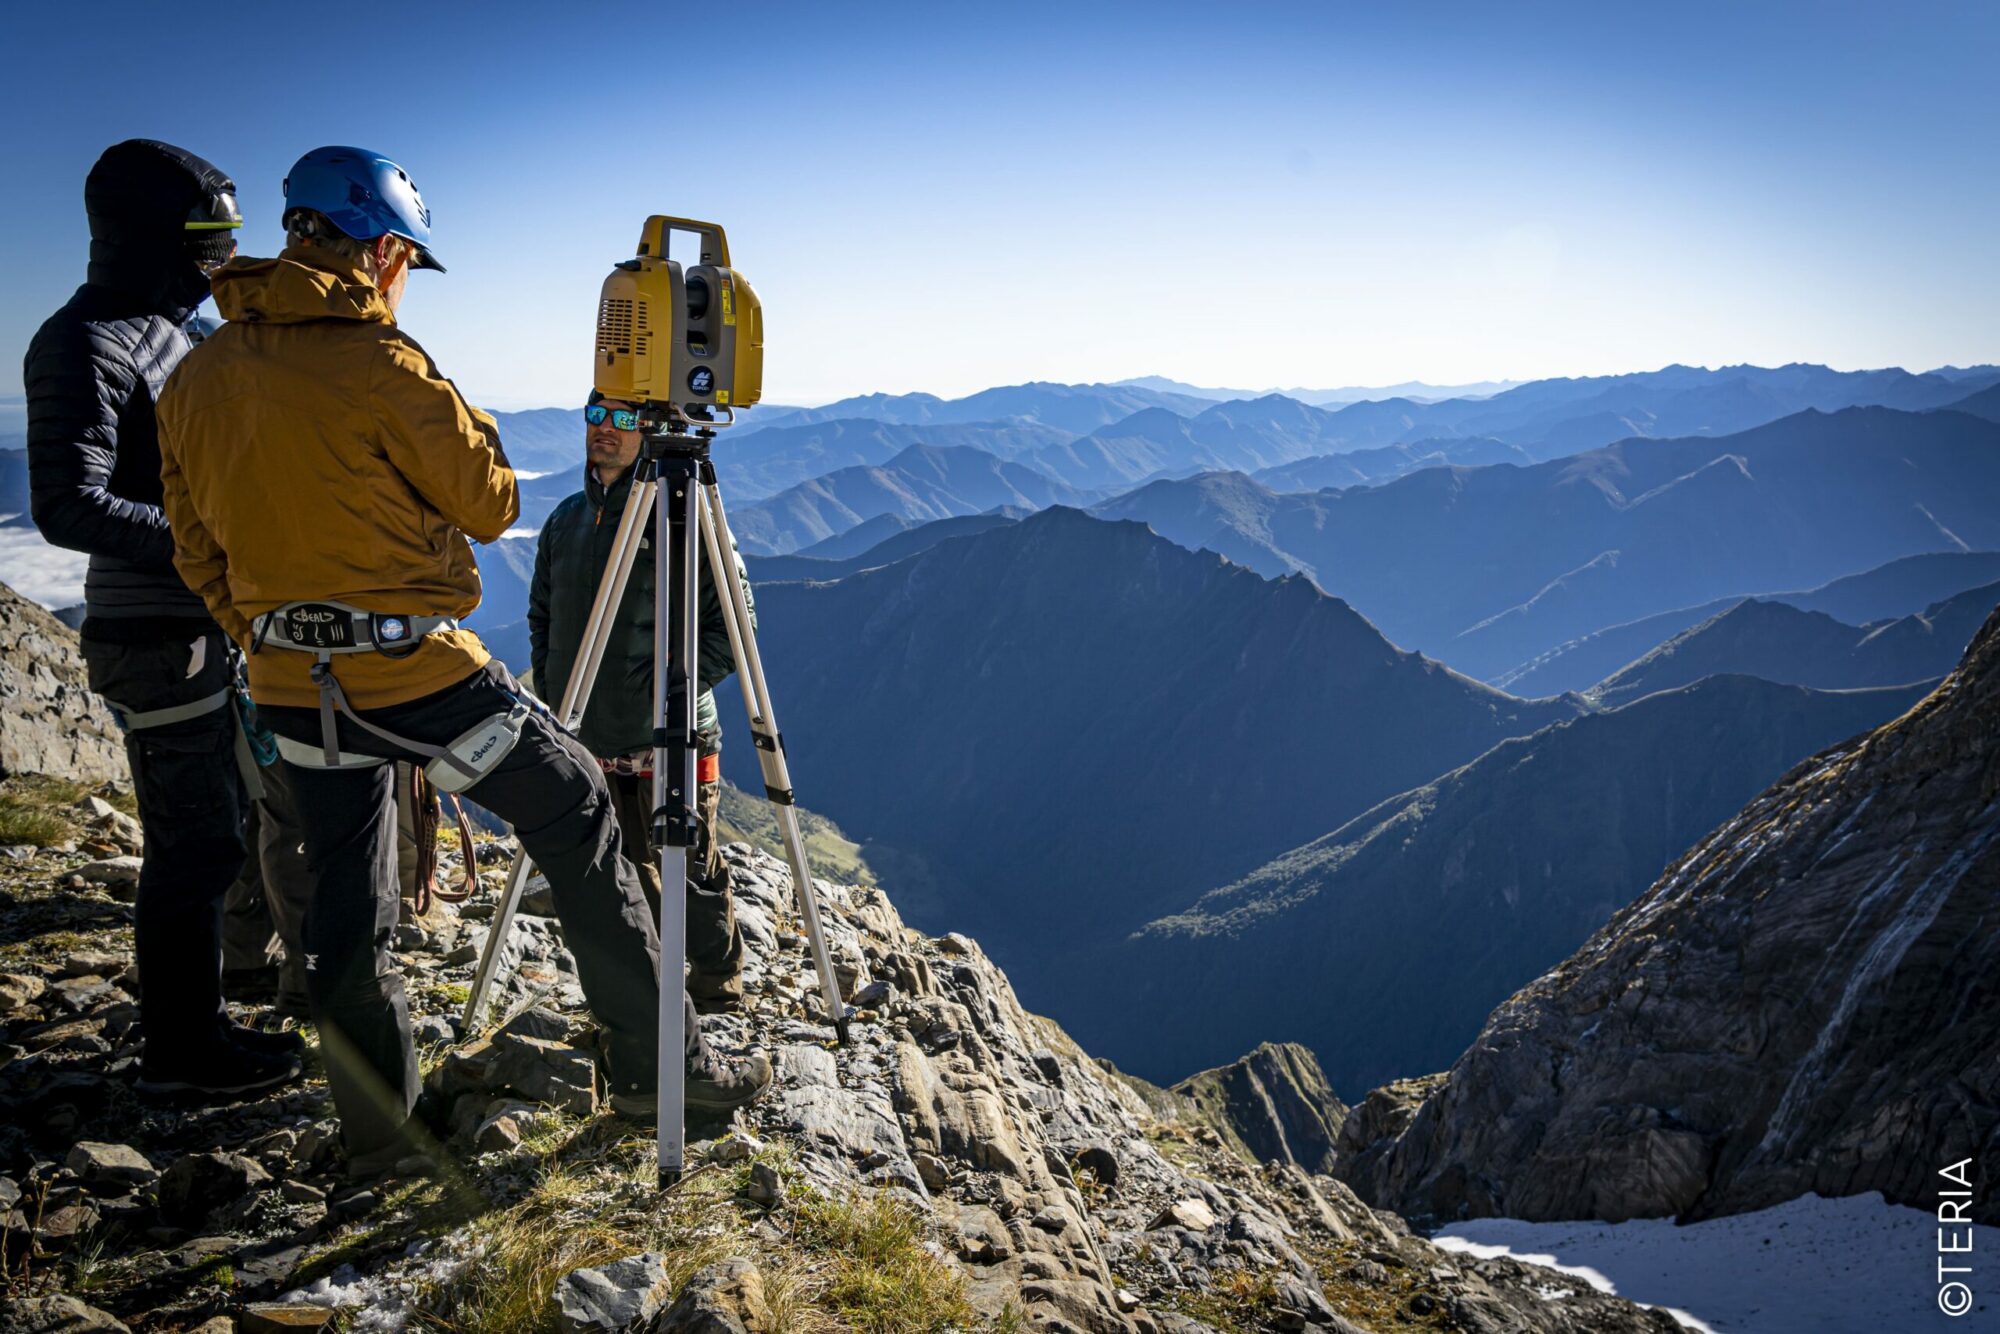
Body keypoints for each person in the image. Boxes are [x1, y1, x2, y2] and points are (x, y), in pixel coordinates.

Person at [153, 145, 771, 1178]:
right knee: (574, 800)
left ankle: (382, 1138)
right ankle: (660, 1069)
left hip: (291, 685)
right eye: (406, 260)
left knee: (346, 898)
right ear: (382, 251)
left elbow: (195, 549)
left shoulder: (196, 376)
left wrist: (263, 635)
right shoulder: (384, 365)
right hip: (416, 674)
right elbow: (490, 501)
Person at [25, 140, 301, 1097]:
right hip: (153, 635)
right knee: (195, 844)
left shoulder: (171, 328)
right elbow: (68, 505)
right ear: (148, 234)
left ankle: (201, 1027)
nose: (221, 256)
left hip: (199, 625)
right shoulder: (83, 340)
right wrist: (214, 542)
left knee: (218, 832)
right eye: (206, 237)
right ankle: (182, 1054)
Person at [528, 391, 750, 1012]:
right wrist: (552, 687)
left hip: (671, 736)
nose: (606, 428)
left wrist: (665, 692)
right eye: (596, 415)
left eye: (624, 418)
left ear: (649, 428)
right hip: (587, 737)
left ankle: (716, 987)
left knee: (690, 871)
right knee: (616, 873)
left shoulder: (682, 519)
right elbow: (542, 615)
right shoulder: (566, 519)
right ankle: (643, 992)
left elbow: (734, 625)